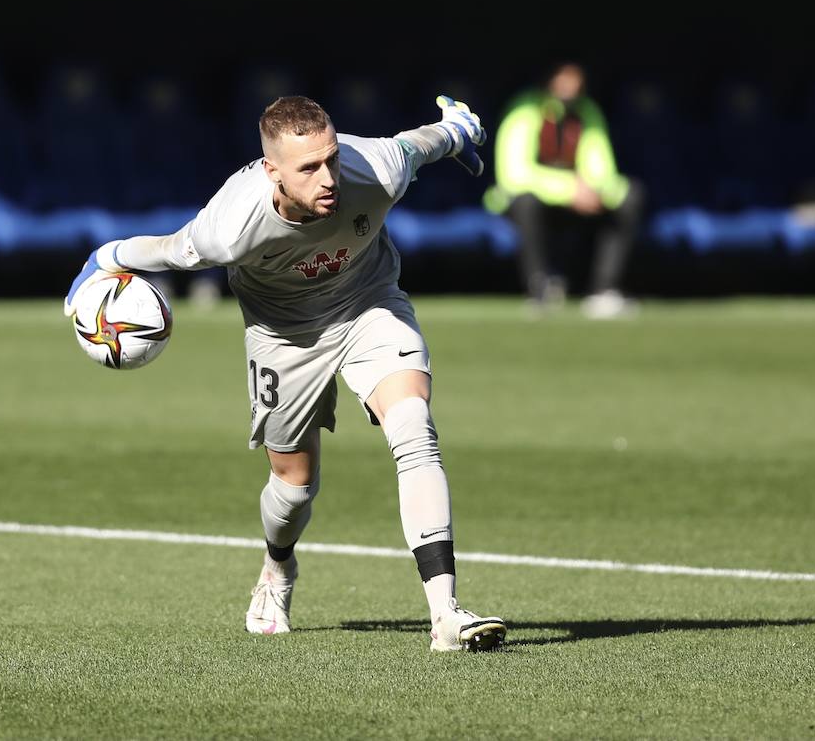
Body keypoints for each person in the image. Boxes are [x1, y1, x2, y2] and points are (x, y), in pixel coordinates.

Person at [62, 94, 507, 652]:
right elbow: (167, 250)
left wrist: (457, 130)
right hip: (283, 336)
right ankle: (277, 569)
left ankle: (445, 613)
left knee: (414, 426)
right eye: (309, 168)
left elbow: (421, 143)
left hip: (368, 305)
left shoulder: (374, 168)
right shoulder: (229, 228)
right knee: (294, 486)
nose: (329, 178)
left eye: (332, 159)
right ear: (272, 171)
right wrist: (97, 265)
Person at [483, 63, 645, 318]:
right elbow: (514, 174)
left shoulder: (586, 111)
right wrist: (568, 190)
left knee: (630, 196)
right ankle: (540, 288)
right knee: (526, 202)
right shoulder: (524, 109)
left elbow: (600, 163)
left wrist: (597, 189)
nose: (569, 86)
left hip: (580, 203)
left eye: (575, 79)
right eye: (563, 78)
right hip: (532, 203)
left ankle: (604, 291)